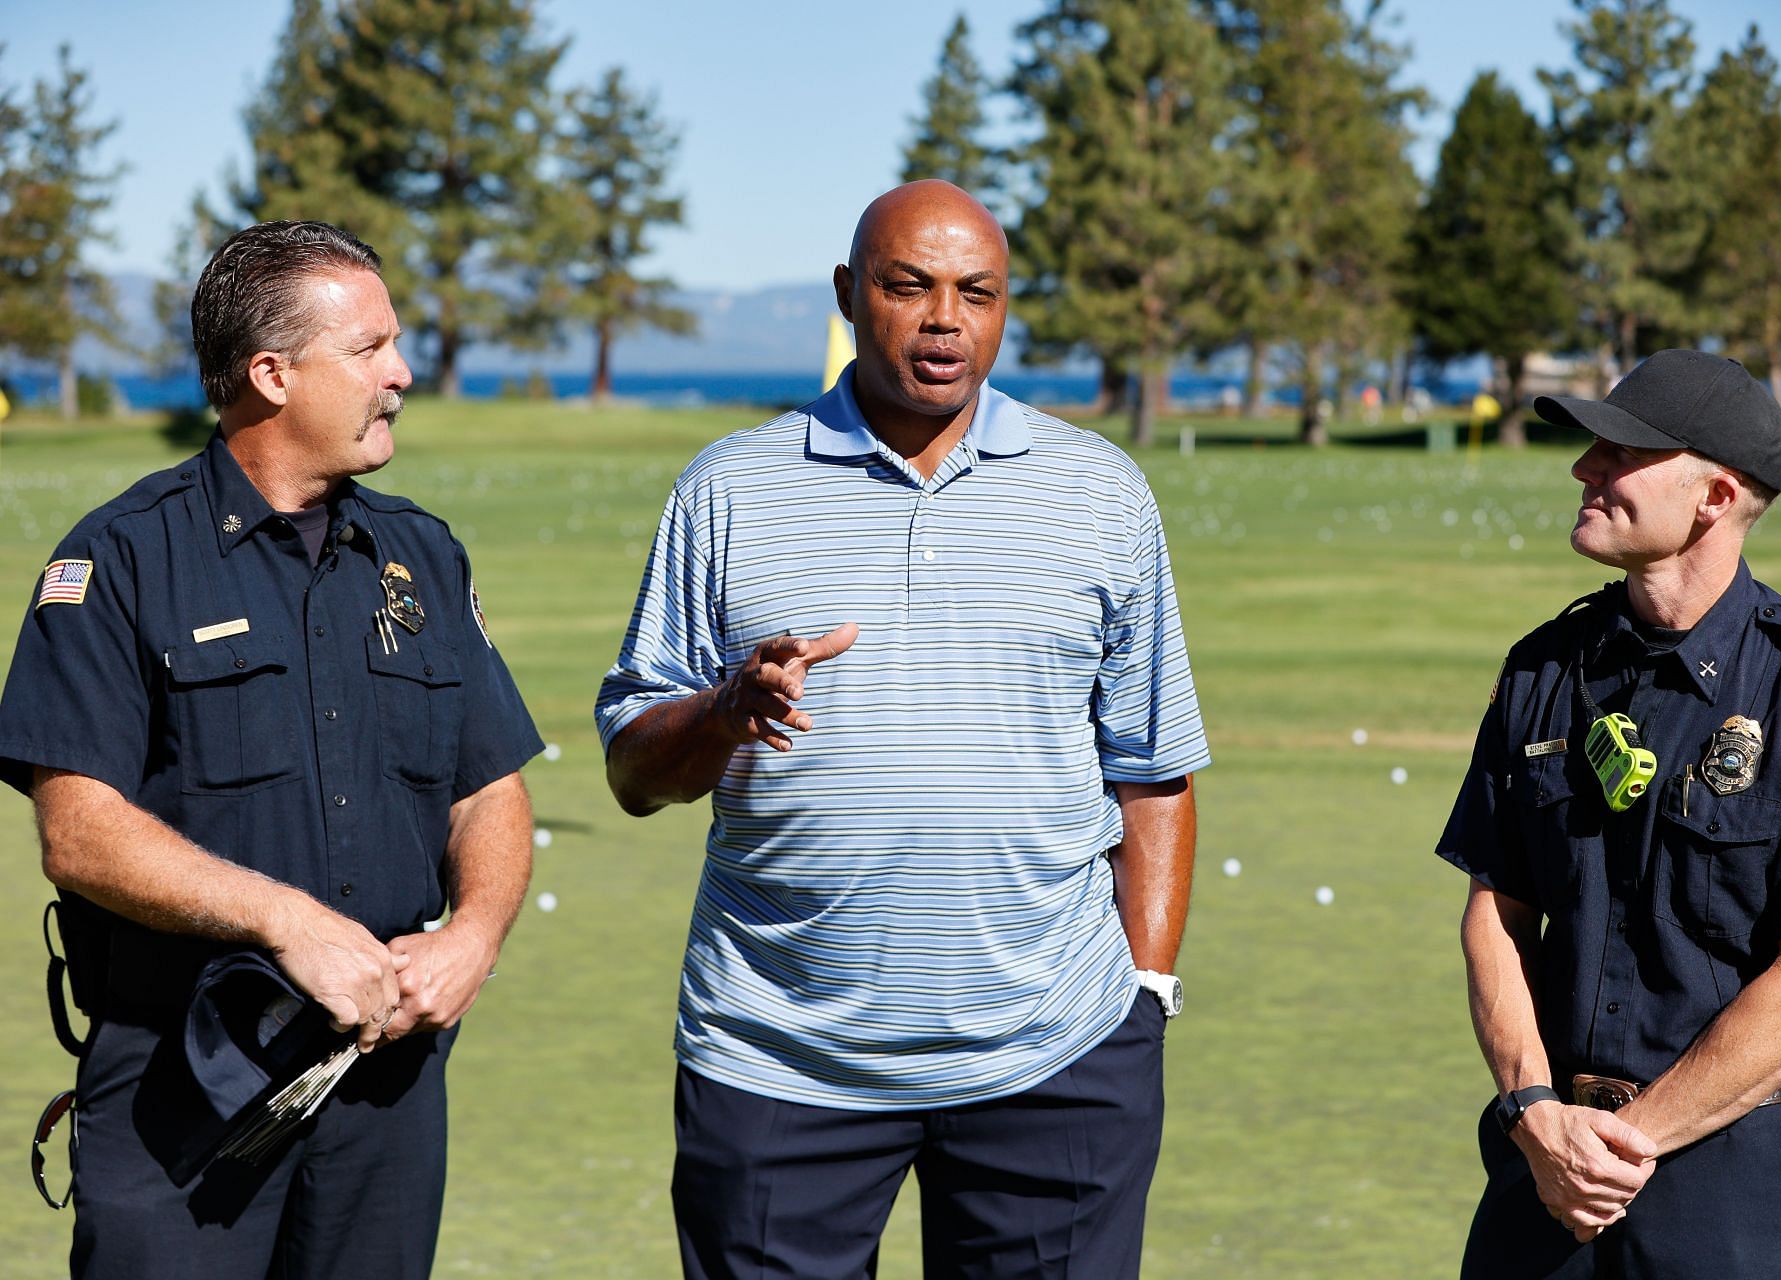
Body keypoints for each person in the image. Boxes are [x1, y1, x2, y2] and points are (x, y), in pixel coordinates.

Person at [596, 180, 1209, 1278]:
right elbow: (635, 770)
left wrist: (1146, 999)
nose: (944, 318)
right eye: (908, 285)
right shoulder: (727, 489)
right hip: (777, 1063)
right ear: (848, 294)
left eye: (977, 293)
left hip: (1057, 1058)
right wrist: (726, 711)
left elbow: (1152, 769)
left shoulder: (1102, 493)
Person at [0, 220, 543, 1279]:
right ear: (272, 373)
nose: (402, 371)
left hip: (384, 1084)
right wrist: (284, 920)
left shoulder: (421, 552)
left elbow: (489, 787)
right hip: (182, 1077)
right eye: (370, 347)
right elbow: (80, 832)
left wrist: (473, 933)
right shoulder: (118, 560)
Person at [1437, 349, 1781, 1278]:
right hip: (1543, 1167)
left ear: (1715, 496)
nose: (1585, 470)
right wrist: (1536, 1113)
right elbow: (1496, 913)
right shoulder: (1544, 670)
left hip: (1731, 1185)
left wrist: (1622, 1147)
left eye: (1620, 453)